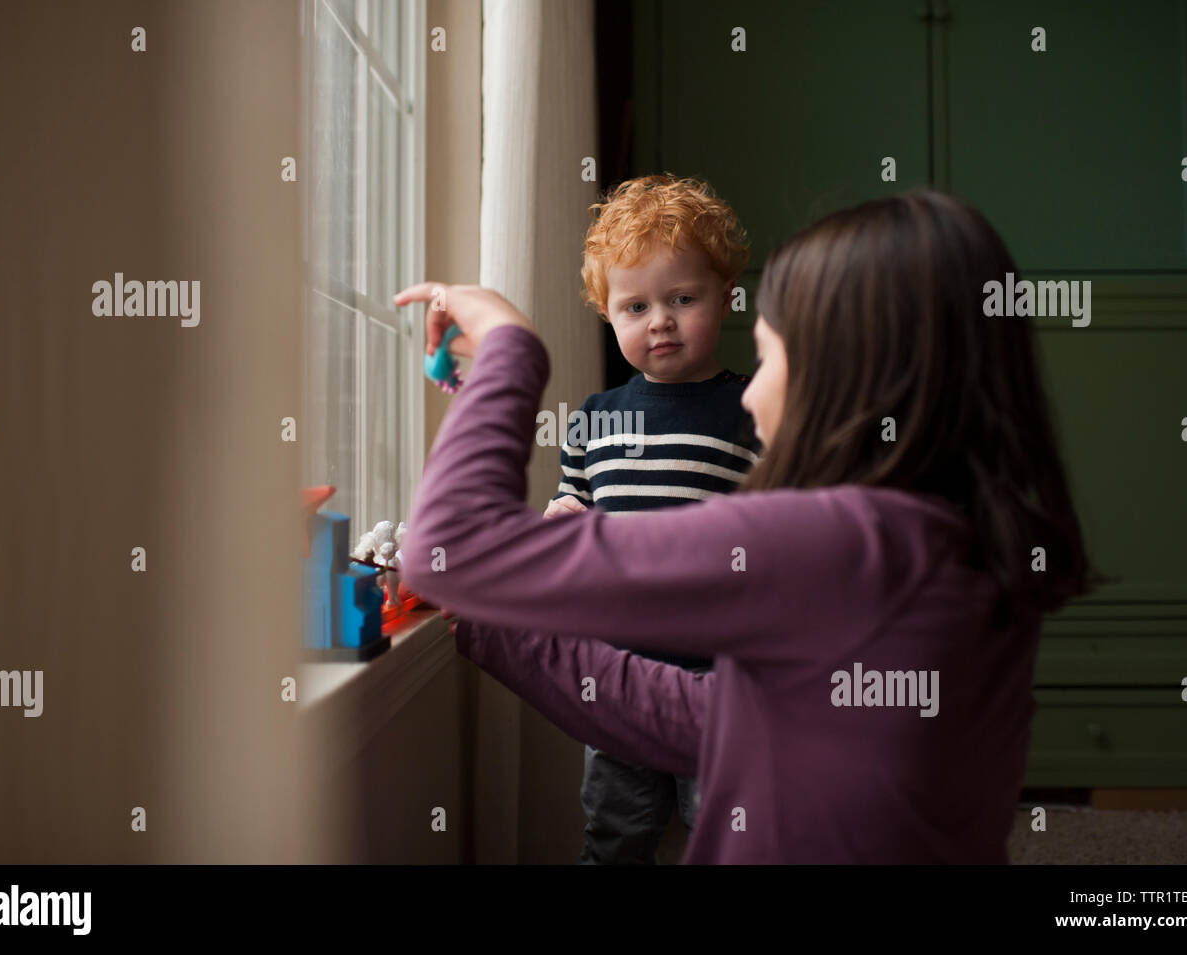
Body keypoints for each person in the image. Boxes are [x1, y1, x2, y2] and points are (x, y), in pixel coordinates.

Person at [394, 189, 1104, 864]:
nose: (752, 391)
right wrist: (501, 631)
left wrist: (510, 348)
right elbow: (719, 722)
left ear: (847, 368)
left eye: (768, 357)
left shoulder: (839, 540)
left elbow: (450, 547)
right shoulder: (957, 545)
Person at [545, 174, 759, 864]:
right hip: (618, 676)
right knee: (615, 831)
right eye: (635, 305)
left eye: (682, 298)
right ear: (607, 313)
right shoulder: (595, 420)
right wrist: (560, 521)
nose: (659, 320)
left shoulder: (755, 410)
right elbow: (570, 513)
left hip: (719, 676)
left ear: (724, 298)